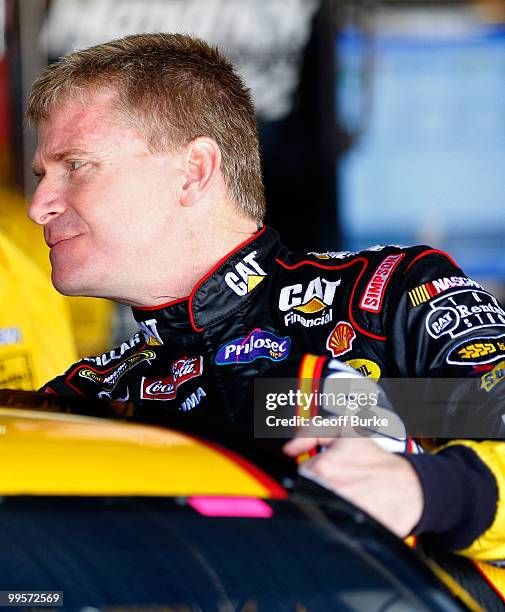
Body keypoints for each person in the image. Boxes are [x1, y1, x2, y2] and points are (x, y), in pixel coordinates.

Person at [26, 32, 505, 602]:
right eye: (41, 175)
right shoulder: (89, 398)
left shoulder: (381, 301)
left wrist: (426, 491)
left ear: (194, 171)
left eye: (75, 166)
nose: (39, 206)